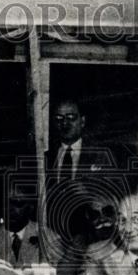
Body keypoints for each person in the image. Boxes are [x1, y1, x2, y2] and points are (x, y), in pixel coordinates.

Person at [45, 98, 117, 242]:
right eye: (59, 118)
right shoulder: (46, 156)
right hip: (54, 236)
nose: (65, 123)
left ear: (82, 121)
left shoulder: (101, 155)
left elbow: (114, 194)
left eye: (71, 118)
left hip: (91, 236)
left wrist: (87, 192)